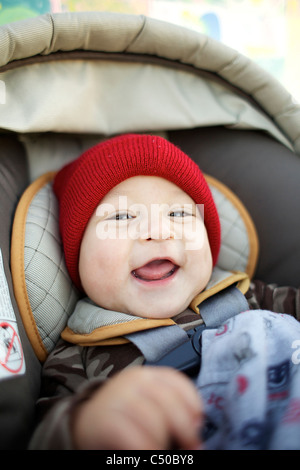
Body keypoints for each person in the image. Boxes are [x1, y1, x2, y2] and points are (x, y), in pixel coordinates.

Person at [29, 134, 300, 450]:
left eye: (179, 214)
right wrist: (86, 426)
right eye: (120, 217)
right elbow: (46, 433)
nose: (158, 231)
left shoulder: (250, 296)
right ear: (76, 255)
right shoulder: (79, 354)